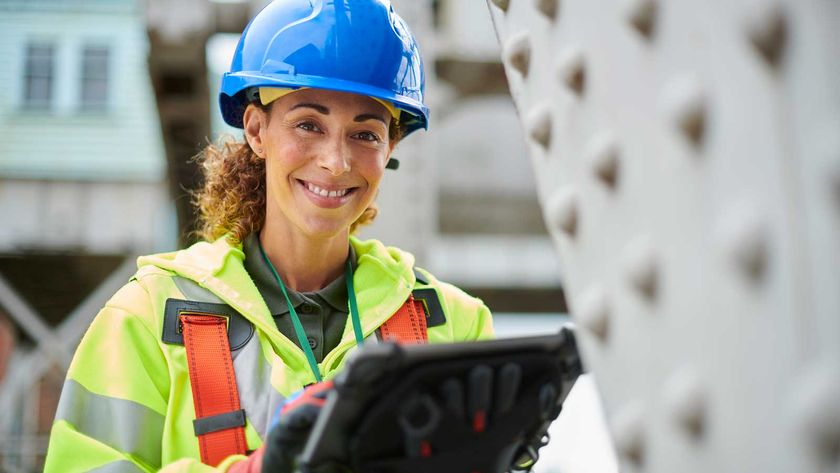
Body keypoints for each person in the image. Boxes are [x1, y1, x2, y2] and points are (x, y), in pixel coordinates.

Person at [43, 1, 494, 471]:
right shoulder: (147, 316)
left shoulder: (456, 326)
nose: (335, 162)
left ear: (391, 148)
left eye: (365, 134)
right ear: (257, 130)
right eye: (308, 125)